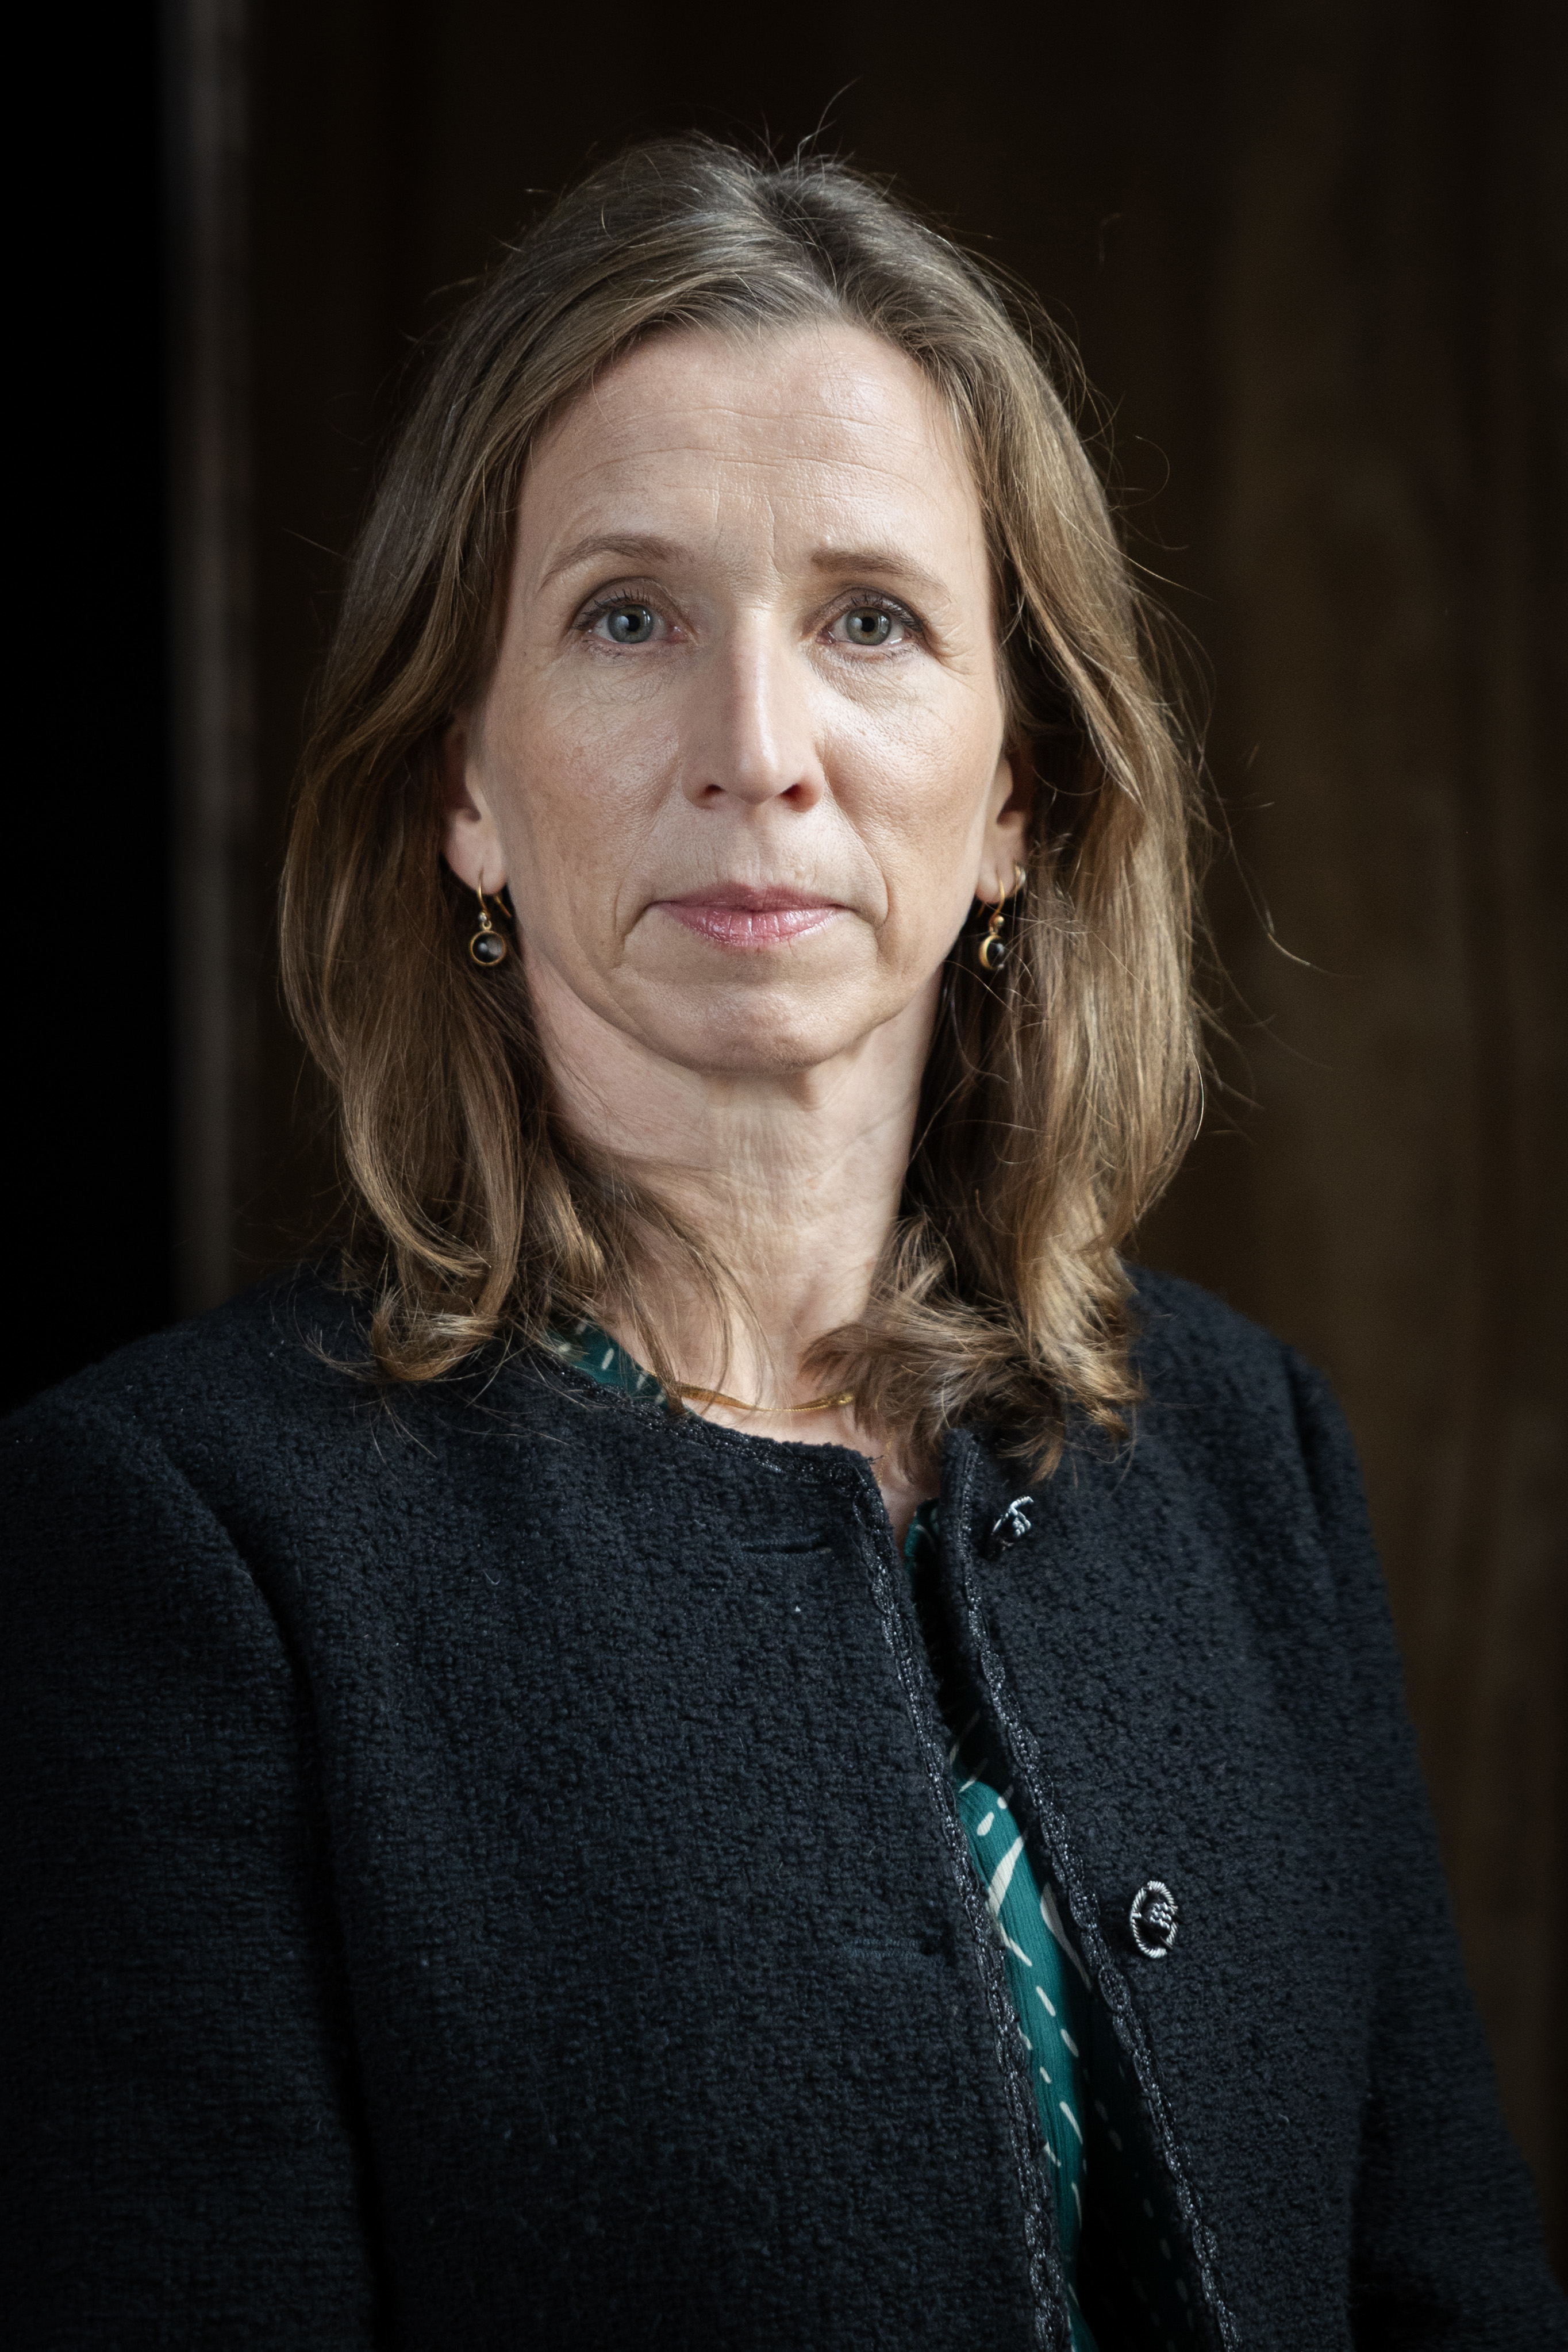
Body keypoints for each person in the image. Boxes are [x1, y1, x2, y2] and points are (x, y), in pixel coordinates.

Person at [3, 139, 1561, 2351]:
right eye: (628, 616)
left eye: (870, 620)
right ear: (463, 781)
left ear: (1014, 792)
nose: (760, 750)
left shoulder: (1245, 1454)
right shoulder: (185, 1540)